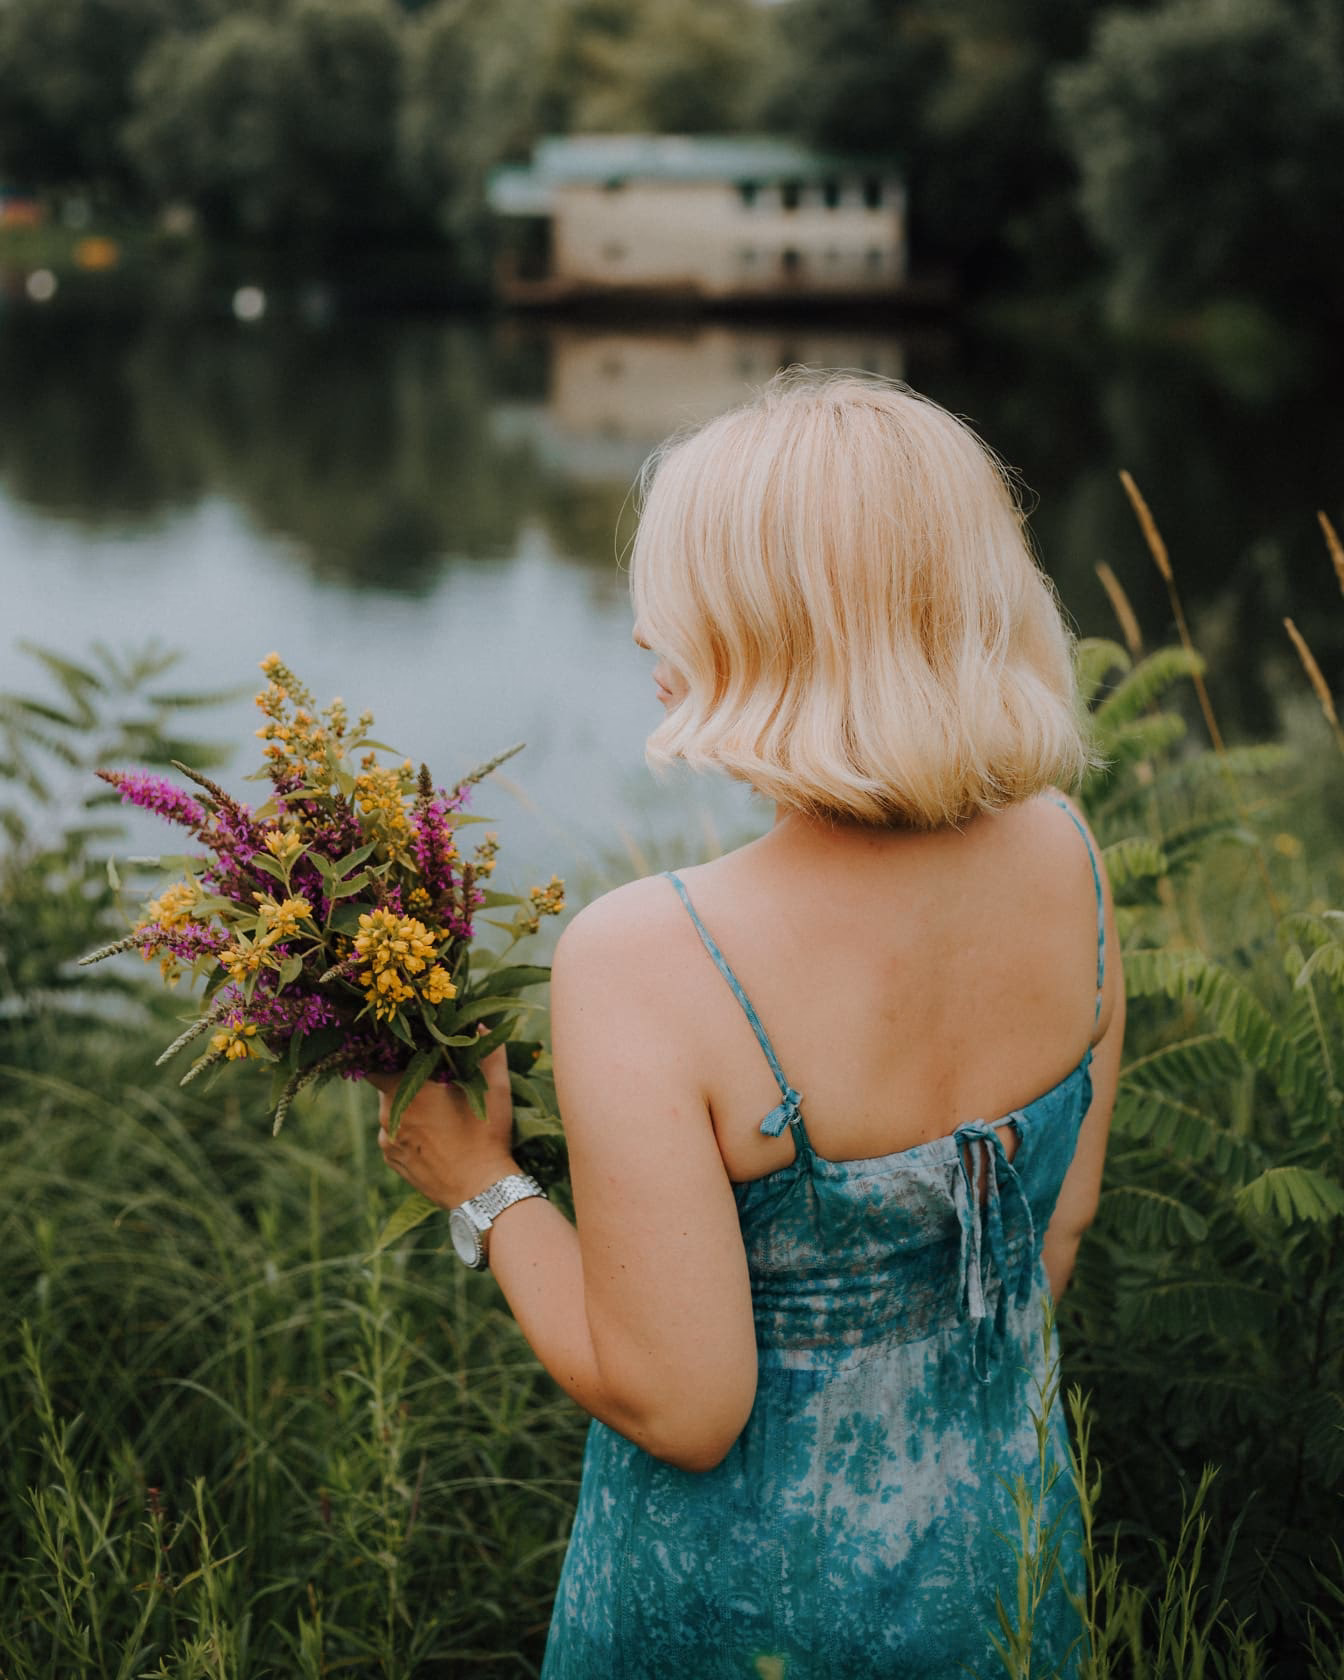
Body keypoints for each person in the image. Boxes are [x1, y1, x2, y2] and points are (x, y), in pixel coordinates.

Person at [374, 370, 1124, 1678]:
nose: (643, 634)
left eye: (677, 597)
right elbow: (1046, 1239)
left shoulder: (651, 958)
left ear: (768, 628)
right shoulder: (1066, 852)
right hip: (1000, 1576)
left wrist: (482, 1187)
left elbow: (685, 1405)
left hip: (747, 1620)